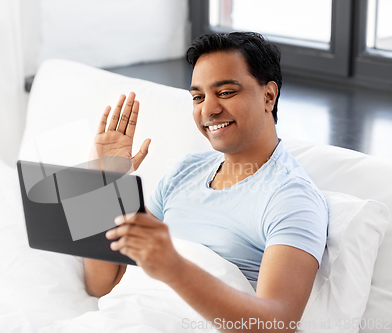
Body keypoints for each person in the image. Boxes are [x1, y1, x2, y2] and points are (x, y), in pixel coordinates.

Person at [84, 32, 328, 332]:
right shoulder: (182, 173)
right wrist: (105, 182)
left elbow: (276, 323)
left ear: (268, 96)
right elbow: (104, 283)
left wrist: (173, 267)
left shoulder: (291, 198)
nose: (208, 110)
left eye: (225, 92)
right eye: (197, 97)